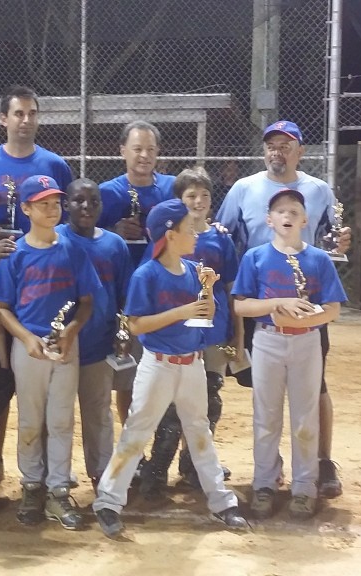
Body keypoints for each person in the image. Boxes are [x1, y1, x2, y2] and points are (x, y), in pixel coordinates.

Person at [92, 199, 248, 539]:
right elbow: (136, 325)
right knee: (137, 431)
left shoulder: (193, 271)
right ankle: (108, 502)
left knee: (199, 431)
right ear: (170, 236)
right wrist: (183, 311)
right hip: (158, 365)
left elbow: (206, 316)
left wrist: (207, 289)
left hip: (192, 364)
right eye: (188, 228)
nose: (195, 233)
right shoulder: (146, 274)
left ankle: (221, 502)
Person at [214, 120, 351, 499]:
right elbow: (222, 235)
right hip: (257, 305)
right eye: (272, 145)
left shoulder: (318, 190)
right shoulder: (244, 189)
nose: (278, 152)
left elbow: (332, 239)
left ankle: (321, 462)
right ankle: (261, 470)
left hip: (306, 306)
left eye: (286, 145)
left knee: (315, 388)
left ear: (300, 152)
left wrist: (341, 241)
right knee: (257, 390)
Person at [0, 84, 73, 489]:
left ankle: (45, 464)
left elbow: (66, 221)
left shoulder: (54, 165)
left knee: (41, 372)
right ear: (3, 119)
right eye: (18, 113)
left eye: (32, 113)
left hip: (42, 288)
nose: (25, 120)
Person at [0, 175, 101, 531]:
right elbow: (1, 308)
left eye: (55, 203)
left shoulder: (73, 250)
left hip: (65, 344)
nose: (52, 210)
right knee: (30, 420)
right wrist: (25, 338)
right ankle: (32, 486)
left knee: (62, 419)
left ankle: (58, 490)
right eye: (42, 204)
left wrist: (71, 331)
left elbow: (86, 302)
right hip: (30, 347)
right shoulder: (16, 254)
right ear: (25, 209)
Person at [232, 189, 347, 520]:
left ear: (304, 220)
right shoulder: (255, 257)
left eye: (294, 212)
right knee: (266, 416)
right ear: (269, 220)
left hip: (306, 341)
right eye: (280, 211)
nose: (287, 216)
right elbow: (241, 305)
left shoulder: (318, 259)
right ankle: (264, 483)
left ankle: (304, 486)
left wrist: (305, 320)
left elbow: (333, 308)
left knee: (305, 417)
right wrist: (278, 305)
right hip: (267, 339)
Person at [139, 167, 240, 499]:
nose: (198, 202)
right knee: (171, 407)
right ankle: (158, 469)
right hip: (175, 334)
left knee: (208, 400)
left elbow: (231, 290)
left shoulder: (220, 238)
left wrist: (237, 334)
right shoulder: (168, 239)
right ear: (179, 201)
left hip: (212, 332)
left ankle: (195, 465)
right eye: (191, 196)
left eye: (204, 195)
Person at [97, 121, 175, 424]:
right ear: (122, 151)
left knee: (170, 370)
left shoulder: (172, 188)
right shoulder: (107, 192)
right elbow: (88, 236)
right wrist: (114, 230)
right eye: (137, 149)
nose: (144, 155)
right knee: (128, 374)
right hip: (125, 295)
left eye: (150, 149)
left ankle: (166, 441)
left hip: (166, 295)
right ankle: (132, 440)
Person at [55, 179, 131, 488]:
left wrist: (123, 332)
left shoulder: (114, 245)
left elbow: (124, 295)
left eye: (94, 201)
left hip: (99, 342)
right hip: (59, 345)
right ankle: (57, 475)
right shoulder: (53, 239)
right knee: (57, 415)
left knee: (98, 411)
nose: (86, 207)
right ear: (66, 205)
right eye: (79, 200)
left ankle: (103, 475)